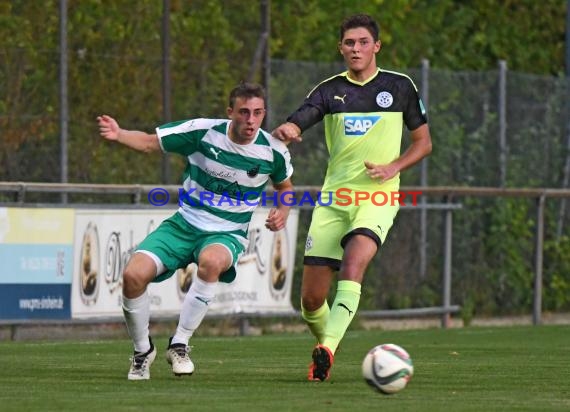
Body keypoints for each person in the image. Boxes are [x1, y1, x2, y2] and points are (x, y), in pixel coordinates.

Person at [272, 14, 432, 381]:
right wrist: (291, 126)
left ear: (376, 46)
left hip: (377, 197)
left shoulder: (400, 86)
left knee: (354, 263)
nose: (355, 49)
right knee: (311, 301)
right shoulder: (330, 90)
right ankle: (327, 341)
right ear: (341, 48)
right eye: (349, 43)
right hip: (333, 201)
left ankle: (326, 349)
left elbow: (424, 143)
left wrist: (395, 167)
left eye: (363, 42)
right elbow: (304, 115)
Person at [97, 82, 294, 380]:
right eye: (243, 112)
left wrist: (284, 210)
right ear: (230, 113)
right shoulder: (202, 132)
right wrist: (119, 134)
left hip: (226, 233)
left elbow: (285, 187)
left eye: (257, 113)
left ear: (264, 114)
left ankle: (179, 344)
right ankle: (142, 352)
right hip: (183, 224)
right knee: (132, 276)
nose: (251, 120)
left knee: (212, 262)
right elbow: (152, 143)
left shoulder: (273, 151)